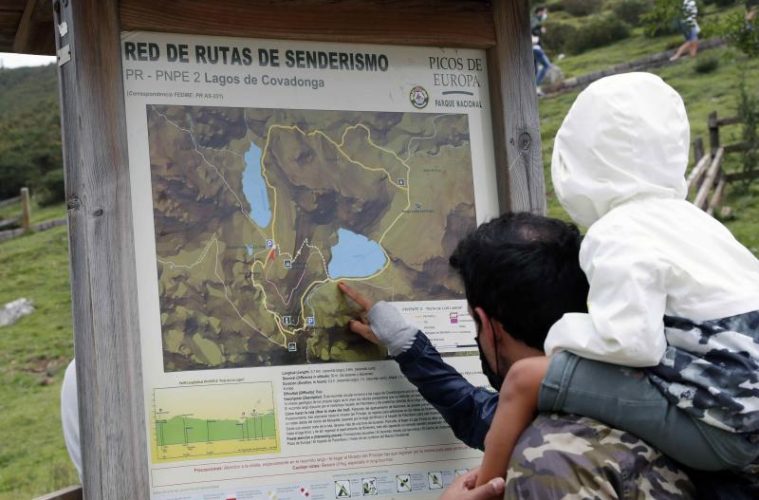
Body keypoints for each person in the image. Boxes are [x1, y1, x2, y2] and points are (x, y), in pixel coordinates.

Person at [474, 72, 759, 489]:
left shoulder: (617, 232)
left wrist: (563, 332)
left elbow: (632, 343)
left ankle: (485, 488)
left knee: (524, 378)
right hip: (745, 411)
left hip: (722, 432)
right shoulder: (698, 225)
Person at [339, 212, 696, 498]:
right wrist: (407, 343)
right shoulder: (653, 395)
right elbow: (476, 412)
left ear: (486, 324)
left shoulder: (550, 459)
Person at [530, 6, 551, 95]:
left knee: (535, 70)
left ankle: (536, 90)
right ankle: (535, 87)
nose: (545, 15)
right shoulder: (535, 20)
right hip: (535, 48)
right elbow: (533, 29)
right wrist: (540, 30)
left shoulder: (534, 20)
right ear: (540, 12)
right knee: (546, 65)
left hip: (533, 48)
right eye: (544, 12)